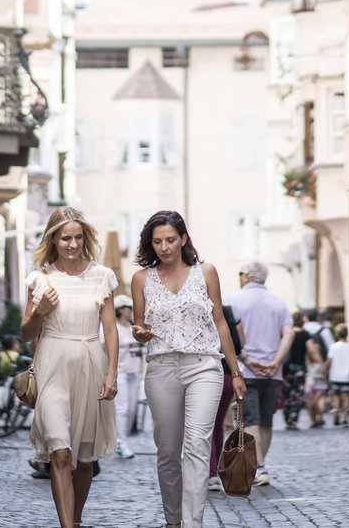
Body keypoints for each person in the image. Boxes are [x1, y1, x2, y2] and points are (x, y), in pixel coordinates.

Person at [131, 210, 244, 528]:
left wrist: (234, 372)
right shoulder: (142, 278)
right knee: (167, 449)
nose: (164, 247)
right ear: (149, 244)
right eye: (157, 241)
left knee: (197, 444)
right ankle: (173, 521)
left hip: (204, 366)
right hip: (162, 367)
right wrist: (139, 333)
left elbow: (220, 323)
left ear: (183, 238)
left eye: (170, 239)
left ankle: (192, 522)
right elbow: (139, 327)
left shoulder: (206, 271)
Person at [22, 206, 117, 528]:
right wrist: (39, 311)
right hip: (51, 368)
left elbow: (111, 329)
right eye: (65, 238)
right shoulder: (39, 278)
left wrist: (112, 372)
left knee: (86, 461)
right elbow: (26, 333)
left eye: (78, 237)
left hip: (91, 365)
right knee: (60, 453)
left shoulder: (102, 276)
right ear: (53, 239)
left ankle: (74, 520)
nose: (73, 244)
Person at [226, 259, 293, 486]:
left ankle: (259, 468)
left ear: (245, 276)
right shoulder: (279, 302)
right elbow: (289, 334)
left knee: (250, 419)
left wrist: (246, 358)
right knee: (266, 420)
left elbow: (229, 337)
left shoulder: (233, 300)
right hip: (273, 372)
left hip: (246, 370)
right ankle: (259, 467)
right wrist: (276, 362)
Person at [208, 301, 244, 491]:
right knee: (217, 425)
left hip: (208, 372)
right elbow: (240, 344)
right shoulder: (229, 310)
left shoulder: (200, 305)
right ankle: (214, 471)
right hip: (228, 375)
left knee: (204, 424)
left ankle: (211, 473)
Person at [114, 294, 142, 458]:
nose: (130, 311)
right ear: (119, 310)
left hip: (135, 371)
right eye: (127, 308)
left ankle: (122, 440)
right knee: (122, 409)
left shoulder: (133, 327)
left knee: (131, 409)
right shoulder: (114, 328)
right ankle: (120, 443)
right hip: (120, 371)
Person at [325, 323, 349, 426]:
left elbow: (329, 361)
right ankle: (345, 418)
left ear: (337, 334)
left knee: (336, 395)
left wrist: (325, 370)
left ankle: (336, 411)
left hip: (335, 376)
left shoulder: (333, 347)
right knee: (346, 397)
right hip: (347, 376)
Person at [281, 312, 310, 429]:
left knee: (287, 393)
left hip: (286, 368)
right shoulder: (304, 334)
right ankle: (293, 419)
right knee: (297, 394)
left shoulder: (286, 333)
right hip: (299, 368)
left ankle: (287, 417)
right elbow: (312, 349)